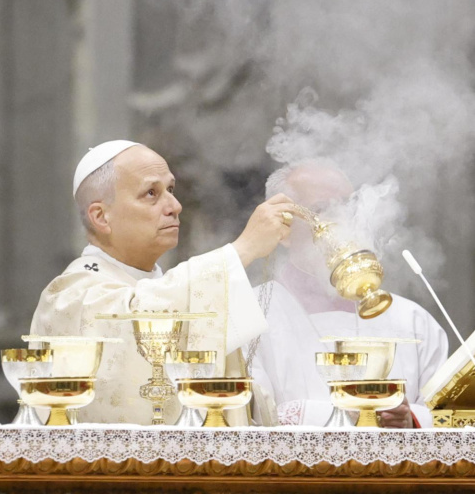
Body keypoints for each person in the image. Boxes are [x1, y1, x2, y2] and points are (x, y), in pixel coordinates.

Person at [30, 139, 296, 424]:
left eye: (170, 189)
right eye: (151, 193)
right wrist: (242, 250)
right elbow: (136, 317)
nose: (176, 206)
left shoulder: (174, 289)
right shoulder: (70, 296)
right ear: (101, 216)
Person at [250, 161, 448, 428]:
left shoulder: (412, 321)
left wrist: (409, 418)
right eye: (321, 209)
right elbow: (247, 418)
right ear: (283, 230)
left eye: (349, 206)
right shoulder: (251, 315)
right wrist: (349, 415)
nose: (342, 220)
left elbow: (451, 418)